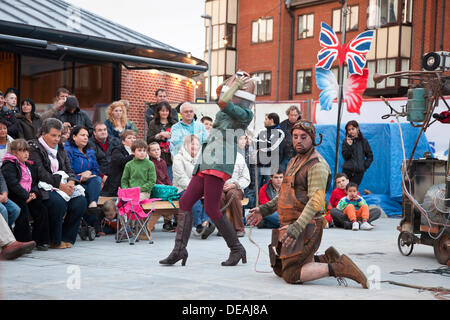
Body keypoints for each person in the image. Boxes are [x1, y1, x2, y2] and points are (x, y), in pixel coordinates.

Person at [246, 120, 368, 288]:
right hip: (290, 224)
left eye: (303, 137)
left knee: (291, 274)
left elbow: (316, 203)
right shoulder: (294, 161)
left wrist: (297, 227)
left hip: (308, 226)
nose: (298, 140)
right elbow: (284, 194)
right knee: (279, 268)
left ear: (312, 139)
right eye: (295, 136)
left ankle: (340, 267)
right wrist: (264, 209)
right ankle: (326, 258)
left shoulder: (317, 165)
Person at [160, 71, 255, 267]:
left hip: (220, 159)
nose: (237, 88)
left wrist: (236, 84)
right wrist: (233, 79)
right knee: (185, 200)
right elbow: (220, 93)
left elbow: (221, 102)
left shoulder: (246, 113)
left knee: (212, 209)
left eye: (241, 88)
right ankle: (179, 250)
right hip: (207, 156)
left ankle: (237, 249)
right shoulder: (232, 102)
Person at [28, 118, 87, 249]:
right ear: (43, 133)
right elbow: (41, 173)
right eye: (53, 135)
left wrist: (71, 183)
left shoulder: (60, 148)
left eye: (59, 136)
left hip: (63, 185)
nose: (57, 139)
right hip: (41, 186)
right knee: (57, 202)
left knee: (80, 201)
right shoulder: (33, 147)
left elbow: (69, 169)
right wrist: (61, 186)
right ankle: (54, 240)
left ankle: (66, 237)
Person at [1, 139, 50, 250]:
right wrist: (26, 196)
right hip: (15, 195)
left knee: (41, 209)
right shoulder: (9, 165)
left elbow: (33, 182)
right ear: (13, 152)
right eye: (22, 151)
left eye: (27, 151)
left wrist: (33, 193)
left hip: (27, 195)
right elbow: (13, 184)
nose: (26, 154)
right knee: (23, 210)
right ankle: (24, 241)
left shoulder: (28, 166)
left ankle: (40, 241)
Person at [172, 135, 214, 238]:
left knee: (211, 197)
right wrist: (197, 190)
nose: (194, 146)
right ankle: (199, 225)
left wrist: (204, 190)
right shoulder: (178, 158)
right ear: (186, 144)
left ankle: (206, 224)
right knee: (194, 199)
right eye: (192, 144)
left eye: (196, 144)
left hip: (199, 188)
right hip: (182, 188)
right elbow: (181, 178)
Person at [65, 126, 102, 209]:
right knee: (86, 194)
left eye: (87, 136)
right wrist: (80, 177)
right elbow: (67, 170)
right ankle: (92, 210)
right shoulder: (68, 150)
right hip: (75, 183)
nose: (85, 138)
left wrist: (89, 172)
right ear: (74, 137)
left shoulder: (90, 152)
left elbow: (96, 170)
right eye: (82, 135)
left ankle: (93, 205)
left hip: (90, 182)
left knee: (97, 180)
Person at [219, 150, 250, 237]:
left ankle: (239, 228)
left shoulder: (239, 158)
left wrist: (234, 185)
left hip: (236, 187)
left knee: (232, 194)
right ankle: (223, 228)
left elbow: (246, 177)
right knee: (219, 196)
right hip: (219, 186)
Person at [147, 101, 177, 181]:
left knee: (169, 179)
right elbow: (149, 139)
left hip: (170, 157)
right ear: (158, 111)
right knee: (156, 180)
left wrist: (171, 135)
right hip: (156, 157)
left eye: (167, 111)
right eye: (162, 111)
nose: (165, 113)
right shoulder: (153, 123)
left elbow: (178, 139)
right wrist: (159, 135)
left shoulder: (174, 124)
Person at [101, 130, 136, 197]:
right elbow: (122, 162)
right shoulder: (117, 150)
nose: (132, 140)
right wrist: (134, 155)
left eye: (134, 138)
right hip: (117, 184)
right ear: (123, 141)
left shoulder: (139, 151)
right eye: (129, 138)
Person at [148, 142, 174, 232]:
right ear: (149, 153)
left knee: (171, 195)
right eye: (153, 150)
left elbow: (166, 176)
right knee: (164, 197)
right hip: (155, 187)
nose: (156, 152)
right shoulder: (150, 163)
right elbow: (154, 178)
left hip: (164, 187)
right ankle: (151, 223)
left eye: (158, 149)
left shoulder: (162, 162)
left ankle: (168, 222)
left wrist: (170, 187)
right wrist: (163, 186)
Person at [256, 112, 285, 189]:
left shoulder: (280, 132)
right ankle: (254, 202)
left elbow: (272, 147)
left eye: (266, 119)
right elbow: (255, 144)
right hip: (259, 165)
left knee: (269, 190)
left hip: (270, 166)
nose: (264, 121)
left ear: (271, 120)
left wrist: (261, 145)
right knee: (254, 191)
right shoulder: (262, 132)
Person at [88, 122, 120, 188]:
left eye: (105, 130)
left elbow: (119, 159)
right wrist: (102, 176)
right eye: (100, 130)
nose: (103, 132)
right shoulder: (89, 144)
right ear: (94, 133)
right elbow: (92, 163)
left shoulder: (115, 141)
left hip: (115, 174)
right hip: (100, 175)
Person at [342, 120, 373, 185]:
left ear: (357, 128)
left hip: (359, 172)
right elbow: (345, 157)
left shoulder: (364, 141)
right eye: (349, 130)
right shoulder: (345, 142)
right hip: (347, 171)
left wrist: (364, 166)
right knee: (343, 190)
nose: (351, 131)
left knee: (352, 191)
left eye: (353, 129)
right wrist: (349, 146)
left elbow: (370, 156)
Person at [279, 105, 302, 172]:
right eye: (291, 115)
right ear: (288, 115)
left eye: (295, 115)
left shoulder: (302, 125)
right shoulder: (282, 125)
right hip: (285, 156)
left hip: (298, 156)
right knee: (283, 175)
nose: (293, 117)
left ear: (298, 115)